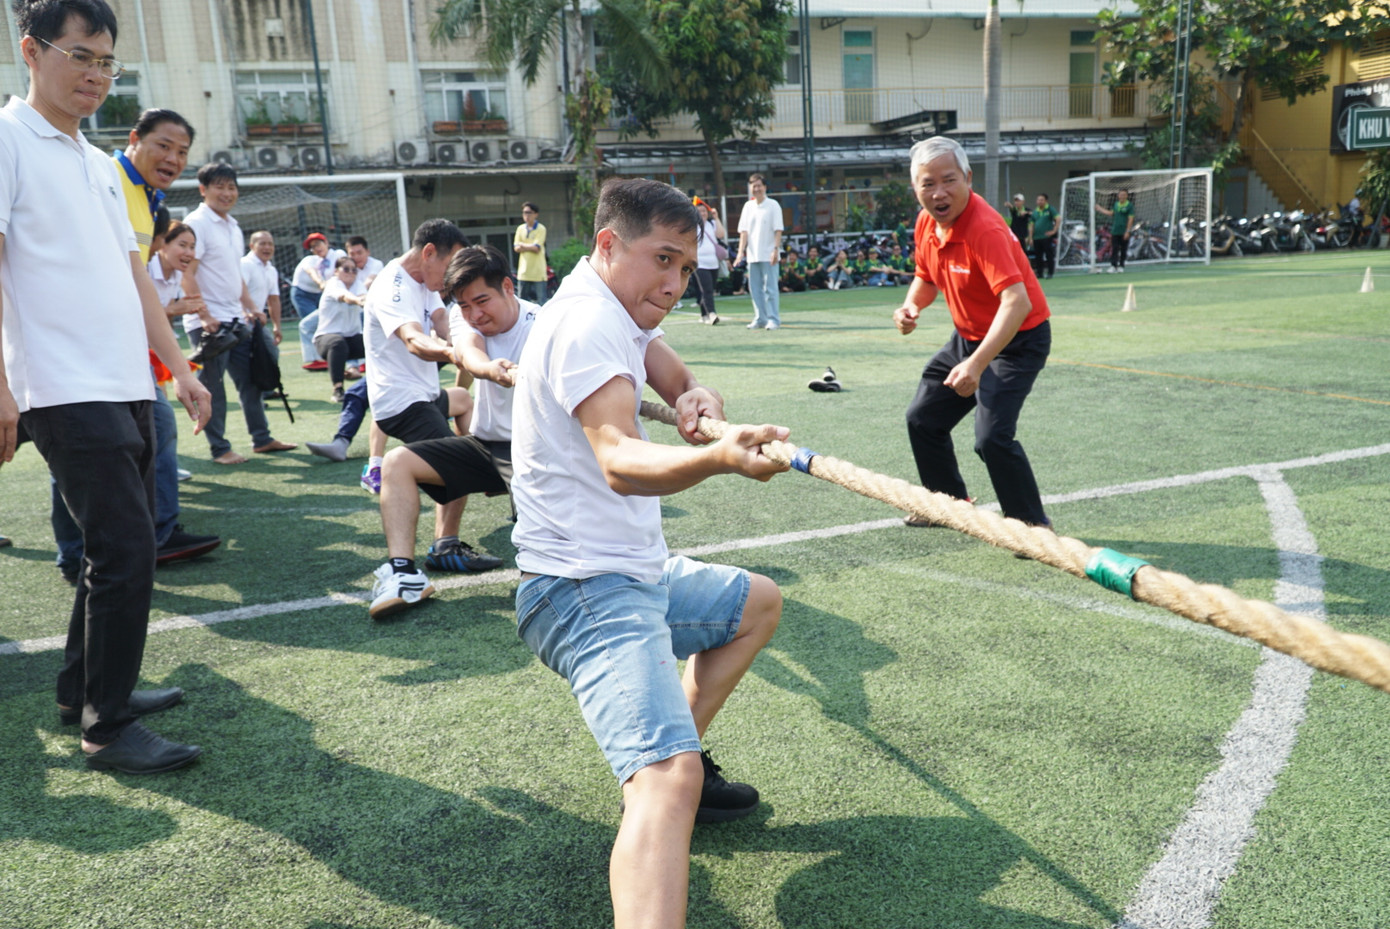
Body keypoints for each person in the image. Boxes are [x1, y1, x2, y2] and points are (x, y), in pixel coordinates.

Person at [510, 177, 788, 929]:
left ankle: (672, 761)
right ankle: (667, 779)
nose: (671, 285)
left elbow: (672, 371)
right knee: (669, 779)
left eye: (686, 269)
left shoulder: (618, 307)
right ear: (608, 244)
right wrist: (725, 456)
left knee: (757, 602)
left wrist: (700, 396)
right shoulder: (585, 325)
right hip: (579, 589)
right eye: (661, 261)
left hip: (632, 575)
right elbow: (620, 460)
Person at [1, 0, 213, 773]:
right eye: (80, 55)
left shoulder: (96, 163)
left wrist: (183, 373)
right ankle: (107, 725)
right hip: (58, 384)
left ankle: (79, 691)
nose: (95, 74)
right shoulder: (5, 141)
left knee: (111, 548)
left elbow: (136, 282)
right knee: (128, 548)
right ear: (31, 51)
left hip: (126, 379)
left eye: (106, 62)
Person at [892, 136, 1052, 531]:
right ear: (916, 189)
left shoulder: (985, 229)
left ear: (968, 177)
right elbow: (925, 276)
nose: (939, 192)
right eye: (928, 184)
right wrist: (912, 306)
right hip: (969, 337)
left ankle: (1032, 527)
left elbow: (1017, 304)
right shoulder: (927, 222)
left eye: (949, 180)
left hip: (1018, 340)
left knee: (992, 439)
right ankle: (949, 504)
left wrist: (976, 365)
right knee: (923, 418)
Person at [370, 245, 536, 618]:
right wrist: (491, 368)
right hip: (486, 445)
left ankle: (541, 575)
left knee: (543, 570)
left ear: (508, 287)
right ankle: (404, 576)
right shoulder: (466, 320)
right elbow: (468, 349)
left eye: (482, 301)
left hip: (536, 449)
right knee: (397, 463)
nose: (474, 314)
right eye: (464, 305)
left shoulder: (543, 326)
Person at [363, 218, 499, 573]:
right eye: (449, 263)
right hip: (402, 402)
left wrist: (475, 340)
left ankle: (484, 473)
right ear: (428, 253)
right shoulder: (393, 287)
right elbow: (414, 341)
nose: (452, 275)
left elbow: (443, 324)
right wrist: (457, 355)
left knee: (464, 401)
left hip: (425, 392)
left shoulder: (425, 283)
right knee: (457, 460)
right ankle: (445, 545)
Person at [181, 162, 296, 463]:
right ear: (203, 189)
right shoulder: (197, 223)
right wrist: (204, 315)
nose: (227, 192)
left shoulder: (233, 225)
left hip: (237, 320)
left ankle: (262, 439)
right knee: (213, 390)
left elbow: (235, 275)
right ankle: (220, 449)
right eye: (219, 186)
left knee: (253, 381)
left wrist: (253, 308)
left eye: (231, 187)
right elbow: (187, 274)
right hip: (210, 325)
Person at [314, 256, 367, 404]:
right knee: (337, 343)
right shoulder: (333, 284)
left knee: (376, 341)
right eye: (346, 269)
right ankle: (337, 389)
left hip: (352, 339)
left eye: (354, 270)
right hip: (325, 340)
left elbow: (363, 295)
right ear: (336, 271)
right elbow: (346, 297)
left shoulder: (358, 284)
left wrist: (364, 298)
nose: (350, 272)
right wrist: (359, 301)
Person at [735, 172, 783, 330]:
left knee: (770, 289)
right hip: (753, 255)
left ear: (765, 187)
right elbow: (743, 232)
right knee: (754, 289)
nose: (756, 189)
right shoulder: (748, 206)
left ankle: (773, 319)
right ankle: (760, 318)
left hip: (769, 254)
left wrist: (775, 249)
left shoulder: (773, 205)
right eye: (753, 186)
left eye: (759, 186)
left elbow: (778, 230)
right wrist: (740, 252)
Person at [292, 232, 345, 368]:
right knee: (311, 324)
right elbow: (312, 273)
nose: (316, 248)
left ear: (326, 242)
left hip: (322, 294)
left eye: (318, 244)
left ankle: (325, 356)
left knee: (320, 323)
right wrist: (321, 283)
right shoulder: (310, 260)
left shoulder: (337, 254)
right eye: (312, 247)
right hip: (302, 294)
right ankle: (316, 359)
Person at [240, 230, 282, 348]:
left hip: (256, 322)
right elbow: (236, 290)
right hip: (238, 321)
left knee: (271, 353)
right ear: (252, 246)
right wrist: (244, 314)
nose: (267, 247)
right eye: (262, 244)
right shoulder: (245, 264)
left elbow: (273, 300)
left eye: (270, 244)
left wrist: (277, 326)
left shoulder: (271, 270)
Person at [692, 200, 724, 324]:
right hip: (700, 263)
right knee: (707, 289)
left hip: (713, 263)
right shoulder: (692, 226)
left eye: (704, 211)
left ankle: (704, 314)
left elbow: (721, 234)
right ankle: (712, 313)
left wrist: (716, 218)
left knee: (708, 289)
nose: (702, 213)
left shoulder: (711, 224)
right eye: (699, 211)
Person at [513, 201, 547, 305]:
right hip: (524, 272)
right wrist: (529, 246)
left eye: (529, 212)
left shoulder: (541, 229)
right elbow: (516, 248)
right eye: (524, 213)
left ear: (536, 214)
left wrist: (523, 245)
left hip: (538, 271)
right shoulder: (520, 229)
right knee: (522, 303)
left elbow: (536, 248)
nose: (526, 215)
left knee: (542, 302)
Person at [1096, 188, 1134, 273]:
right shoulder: (1116, 204)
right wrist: (1100, 209)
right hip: (1115, 231)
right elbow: (1111, 213)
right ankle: (1113, 265)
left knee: (1123, 249)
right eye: (1120, 194)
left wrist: (1128, 231)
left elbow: (1131, 218)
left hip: (1124, 231)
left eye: (1124, 195)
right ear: (1118, 195)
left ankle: (1121, 265)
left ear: (1127, 196)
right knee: (1114, 248)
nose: (1122, 196)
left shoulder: (1129, 205)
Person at [1029, 193, 1059, 280]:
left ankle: (1050, 273)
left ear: (1046, 201)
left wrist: (1054, 230)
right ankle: (1040, 273)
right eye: (1038, 200)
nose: (1039, 201)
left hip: (1046, 237)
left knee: (1049, 255)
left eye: (1041, 200)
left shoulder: (1050, 209)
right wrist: (1030, 237)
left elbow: (1058, 218)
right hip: (1036, 237)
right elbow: (1031, 225)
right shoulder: (1035, 212)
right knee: (1038, 256)